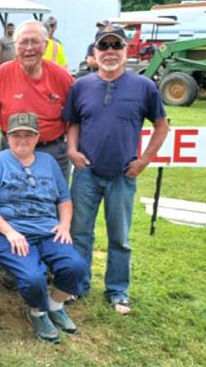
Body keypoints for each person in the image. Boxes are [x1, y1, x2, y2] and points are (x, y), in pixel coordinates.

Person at [63, 24, 169, 315]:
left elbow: (162, 124)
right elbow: (73, 122)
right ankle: (77, 285)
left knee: (119, 236)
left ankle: (117, 290)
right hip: (86, 172)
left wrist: (145, 159)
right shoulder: (81, 86)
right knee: (80, 232)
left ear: (125, 50)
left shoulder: (144, 87)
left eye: (116, 46)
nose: (110, 52)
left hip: (123, 174)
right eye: (104, 46)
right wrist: (72, 150)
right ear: (95, 52)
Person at [0, 112, 88, 344]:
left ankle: (55, 306)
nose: (22, 140)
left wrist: (64, 226)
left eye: (28, 135)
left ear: (37, 137)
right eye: (16, 135)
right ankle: (38, 312)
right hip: (8, 232)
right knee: (33, 278)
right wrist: (9, 232)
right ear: (7, 136)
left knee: (76, 266)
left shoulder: (49, 162)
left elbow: (64, 199)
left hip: (47, 229)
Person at [0, 19, 74, 181]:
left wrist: (72, 148)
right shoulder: (3, 73)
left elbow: (75, 118)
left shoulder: (62, 77)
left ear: (45, 45)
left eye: (35, 42)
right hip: (12, 149)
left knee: (53, 201)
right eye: (24, 42)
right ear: (15, 46)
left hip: (51, 150)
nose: (29, 48)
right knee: (9, 200)